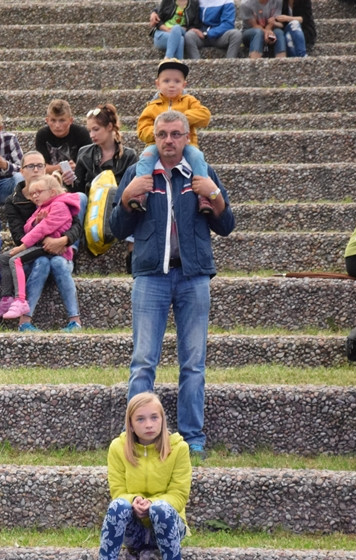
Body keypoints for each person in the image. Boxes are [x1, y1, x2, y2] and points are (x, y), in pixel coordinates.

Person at [111, 109, 236, 457]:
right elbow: (115, 228)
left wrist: (214, 195)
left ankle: (192, 436)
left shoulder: (200, 171)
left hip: (193, 276)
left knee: (193, 363)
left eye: (176, 134)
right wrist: (125, 198)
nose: (169, 140)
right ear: (154, 136)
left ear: (186, 137)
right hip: (151, 276)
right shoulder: (140, 174)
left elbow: (226, 225)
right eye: (162, 134)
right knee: (143, 361)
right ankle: (136, 438)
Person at [94, 392, 191, 560]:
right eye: (140, 419)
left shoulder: (179, 449)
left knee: (161, 509)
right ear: (130, 424)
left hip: (167, 527)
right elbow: (118, 492)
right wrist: (134, 501)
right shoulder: (118, 448)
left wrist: (152, 504)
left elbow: (178, 496)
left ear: (162, 419)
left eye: (154, 417)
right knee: (118, 506)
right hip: (135, 530)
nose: (148, 424)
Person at [0, 152, 82, 328]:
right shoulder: (14, 201)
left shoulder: (55, 195)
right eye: (30, 166)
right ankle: (24, 320)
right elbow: (20, 236)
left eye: (40, 166)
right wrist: (40, 231)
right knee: (41, 261)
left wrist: (62, 241)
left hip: (60, 252)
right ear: (21, 171)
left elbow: (76, 226)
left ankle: (75, 321)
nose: (36, 170)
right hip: (33, 256)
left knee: (57, 262)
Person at [130, 59, 213, 216]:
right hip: (157, 145)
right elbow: (142, 131)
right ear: (157, 84)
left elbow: (205, 116)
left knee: (197, 156)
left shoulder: (189, 101)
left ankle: (204, 196)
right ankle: (141, 194)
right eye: (166, 80)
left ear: (184, 85)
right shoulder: (152, 107)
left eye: (177, 81)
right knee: (145, 156)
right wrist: (159, 133)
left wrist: (178, 118)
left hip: (186, 144)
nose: (171, 85)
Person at [75, 104, 139, 275]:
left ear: (109, 127)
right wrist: (70, 180)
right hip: (91, 206)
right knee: (78, 198)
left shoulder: (129, 155)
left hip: (117, 205)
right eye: (89, 130)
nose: (91, 135)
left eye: (96, 129)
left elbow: (133, 187)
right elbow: (77, 188)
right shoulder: (84, 153)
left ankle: (132, 257)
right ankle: (71, 252)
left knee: (136, 201)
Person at [34, 99, 91, 193]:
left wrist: (77, 167)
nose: (57, 125)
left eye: (62, 120)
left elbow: (89, 166)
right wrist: (59, 168)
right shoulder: (42, 135)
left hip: (77, 182)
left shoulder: (81, 134)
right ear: (47, 120)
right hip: (50, 182)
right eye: (53, 120)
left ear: (70, 120)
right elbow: (41, 167)